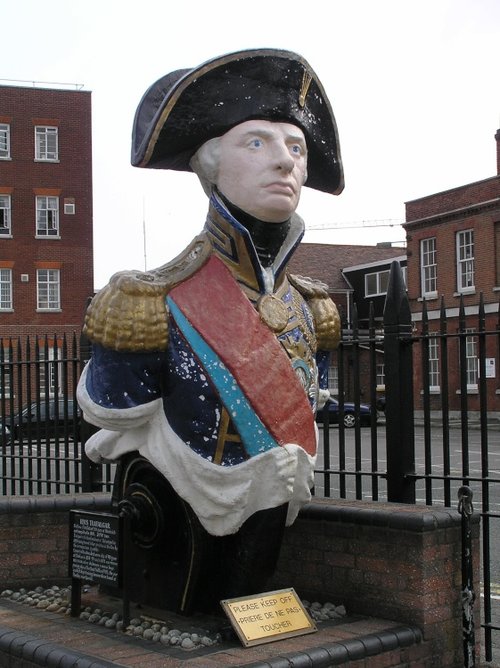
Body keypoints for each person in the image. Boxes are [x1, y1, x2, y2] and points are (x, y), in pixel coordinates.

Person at [77, 48, 344, 613]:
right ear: (209, 164)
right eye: (258, 142)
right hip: (174, 533)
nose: (285, 162)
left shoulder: (311, 309)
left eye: (295, 147)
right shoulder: (148, 302)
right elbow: (116, 408)